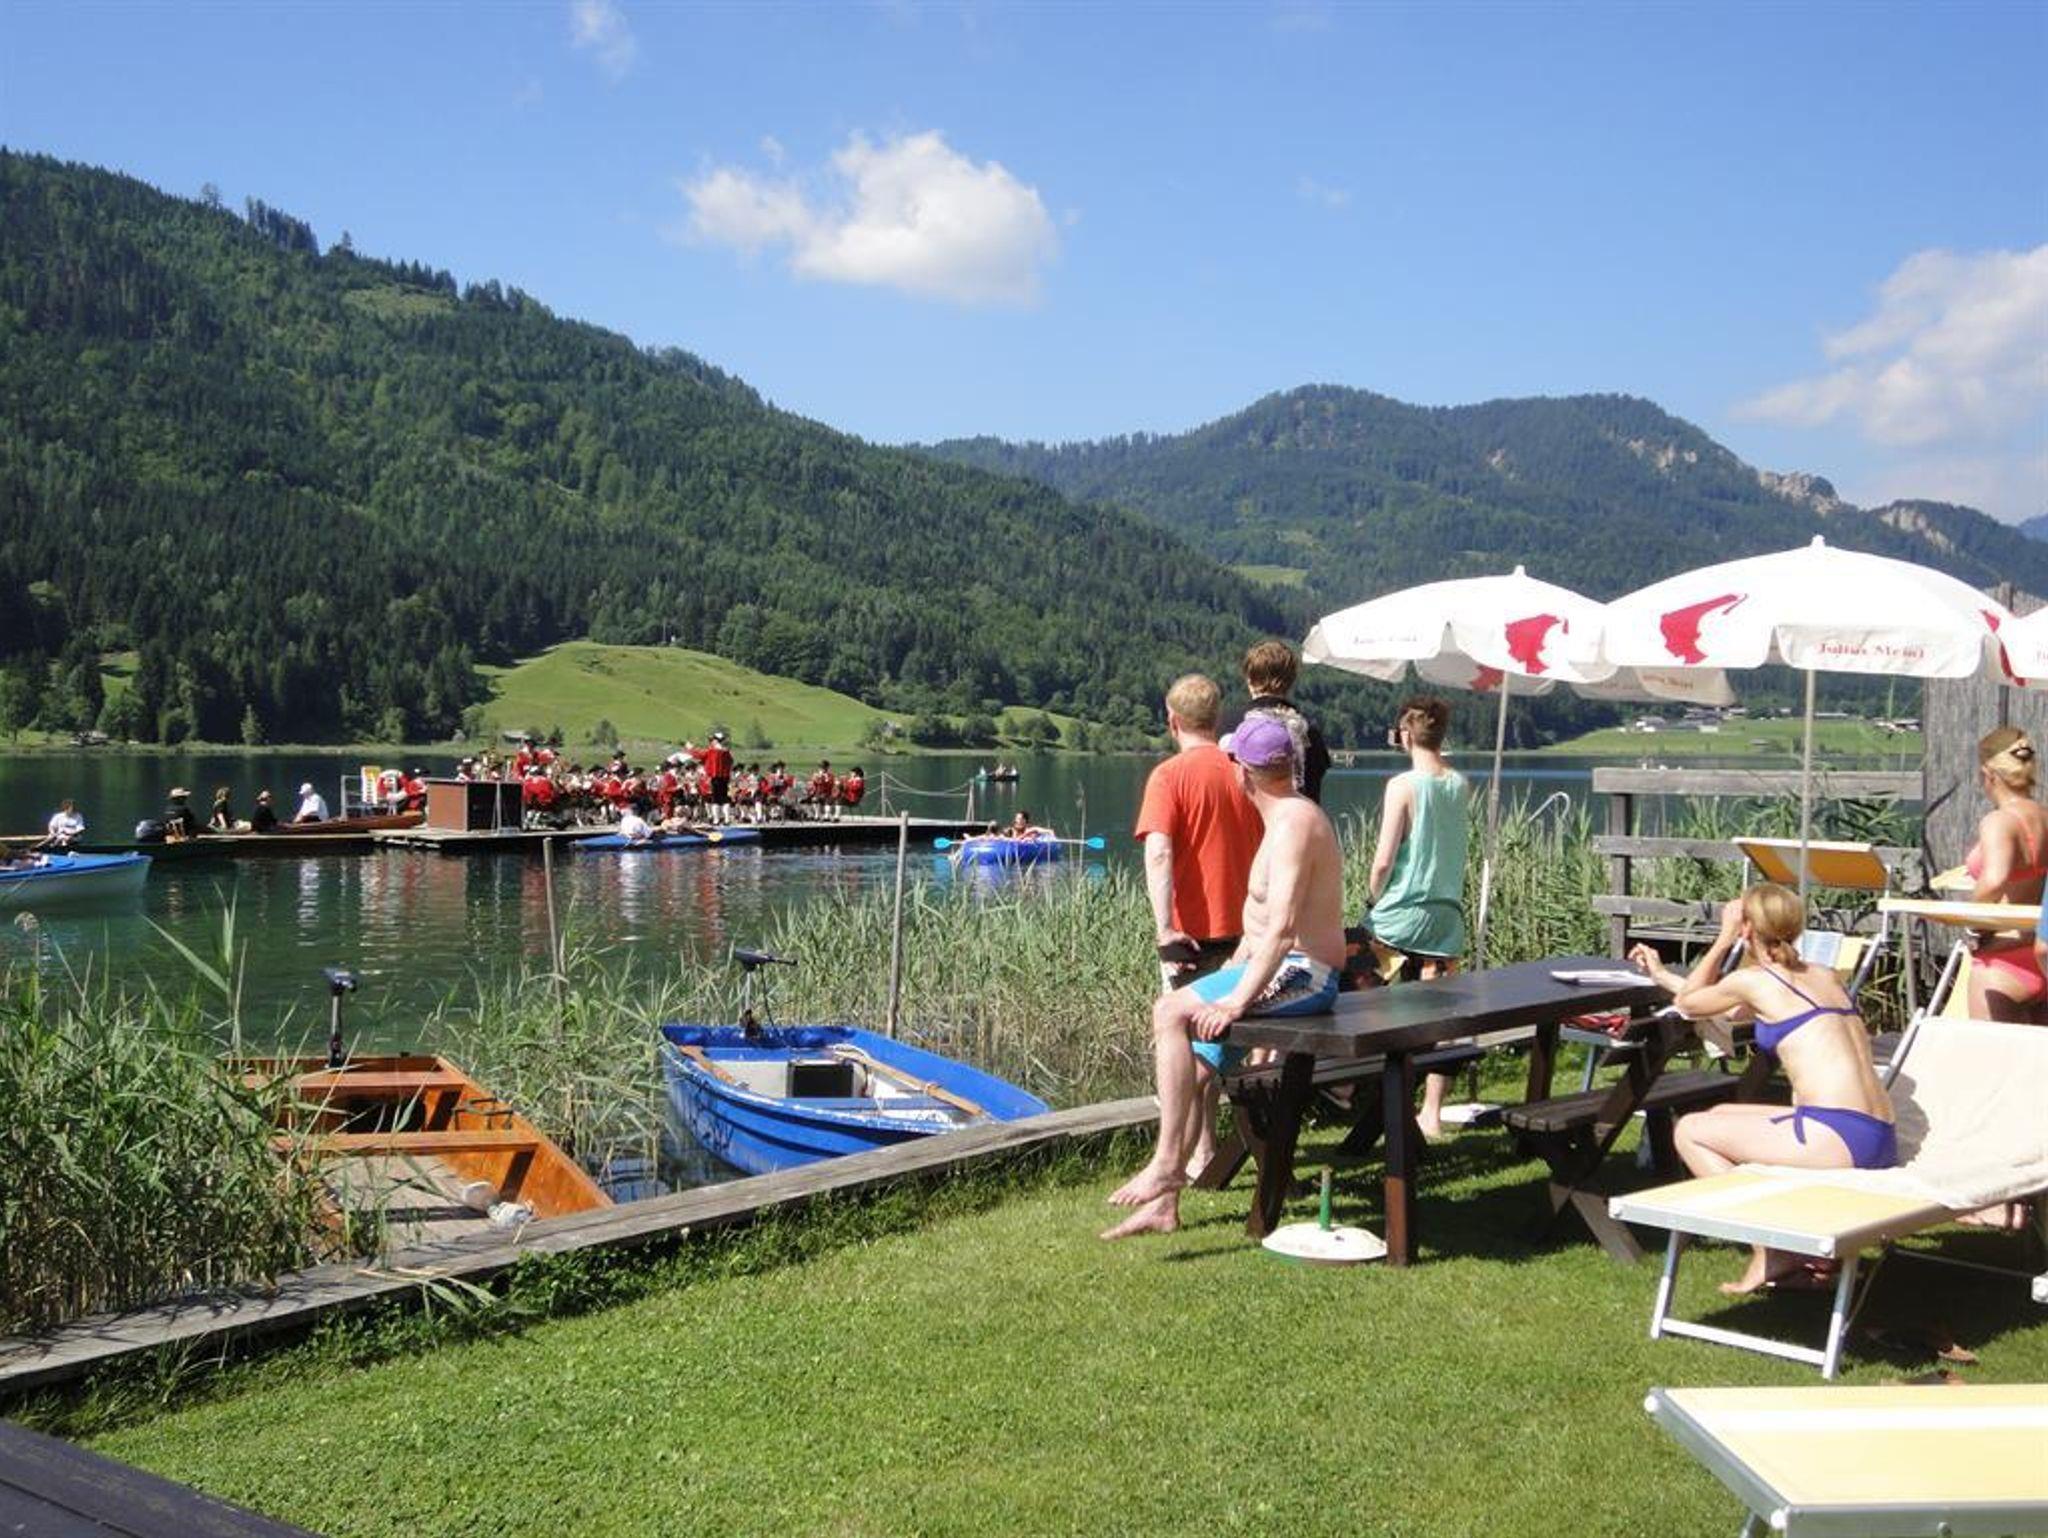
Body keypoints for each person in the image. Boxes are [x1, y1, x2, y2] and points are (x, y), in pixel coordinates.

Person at [1103, 714, 1345, 1240]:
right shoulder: (1282, 819)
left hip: (1305, 975)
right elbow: (1262, 929)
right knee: (1190, 1069)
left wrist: (1235, 1000)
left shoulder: (1294, 824)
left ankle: (1167, 1164)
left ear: (1243, 771)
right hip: (1278, 969)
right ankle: (1164, 1206)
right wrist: (1236, 968)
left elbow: (1282, 930)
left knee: (1169, 1010)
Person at [1629, 883, 1895, 1294]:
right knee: (1719, 1116)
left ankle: (1771, 1248)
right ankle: (1786, 1234)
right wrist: (1662, 974)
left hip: (1838, 1137)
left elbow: (1688, 1006)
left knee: (1689, 1132)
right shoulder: (1822, 975)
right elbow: (1723, 1006)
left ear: (1748, 929)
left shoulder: (1756, 980)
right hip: (1876, 1133)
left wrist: (1723, 939)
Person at [1132, 674, 1265, 1174]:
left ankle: (1189, 1154)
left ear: (1172, 720)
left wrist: (1164, 926)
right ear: (1217, 717)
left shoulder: (1168, 776)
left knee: (1189, 1044)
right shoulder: (1244, 773)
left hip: (1191, 936)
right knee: (1216, 1044)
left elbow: (1158, 852)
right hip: (1247, 934)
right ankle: (1209, 1149)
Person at [1363, 696, 1472, 1139]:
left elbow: (1383, 860)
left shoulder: (1402, 786)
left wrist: (1371, 899)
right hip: (1446, 916)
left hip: (1400, 915)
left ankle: (1371, 1096)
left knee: (1365, 1001)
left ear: (1406, 736)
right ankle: (1431, 1111)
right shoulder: (1460, 784)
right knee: (1442, 1018)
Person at [1963, 726, 2048, 1022]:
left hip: (2002, 958)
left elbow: (1995, 880)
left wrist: (1973, 926)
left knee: (1989, 1051)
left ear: (1988, 774)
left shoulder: (1999, 821)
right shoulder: (2044, 816)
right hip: (2038, 949)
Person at [1230, 638, 1331, 803]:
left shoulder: (1229, 725)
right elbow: (1314, 786)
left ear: (1249, 678)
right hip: (1301, 815)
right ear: (1291, 680)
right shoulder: (1309, 732)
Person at [700, 731, 734, 826]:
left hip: (715, 777)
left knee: (715, 799)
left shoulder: (711, 751)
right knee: (724, 799)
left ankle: (716, 820)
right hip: (725, 777)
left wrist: (690, 749)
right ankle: (727, 820)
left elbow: (700, 755)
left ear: (715, 740)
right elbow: (731, 761)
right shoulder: (726, 751)